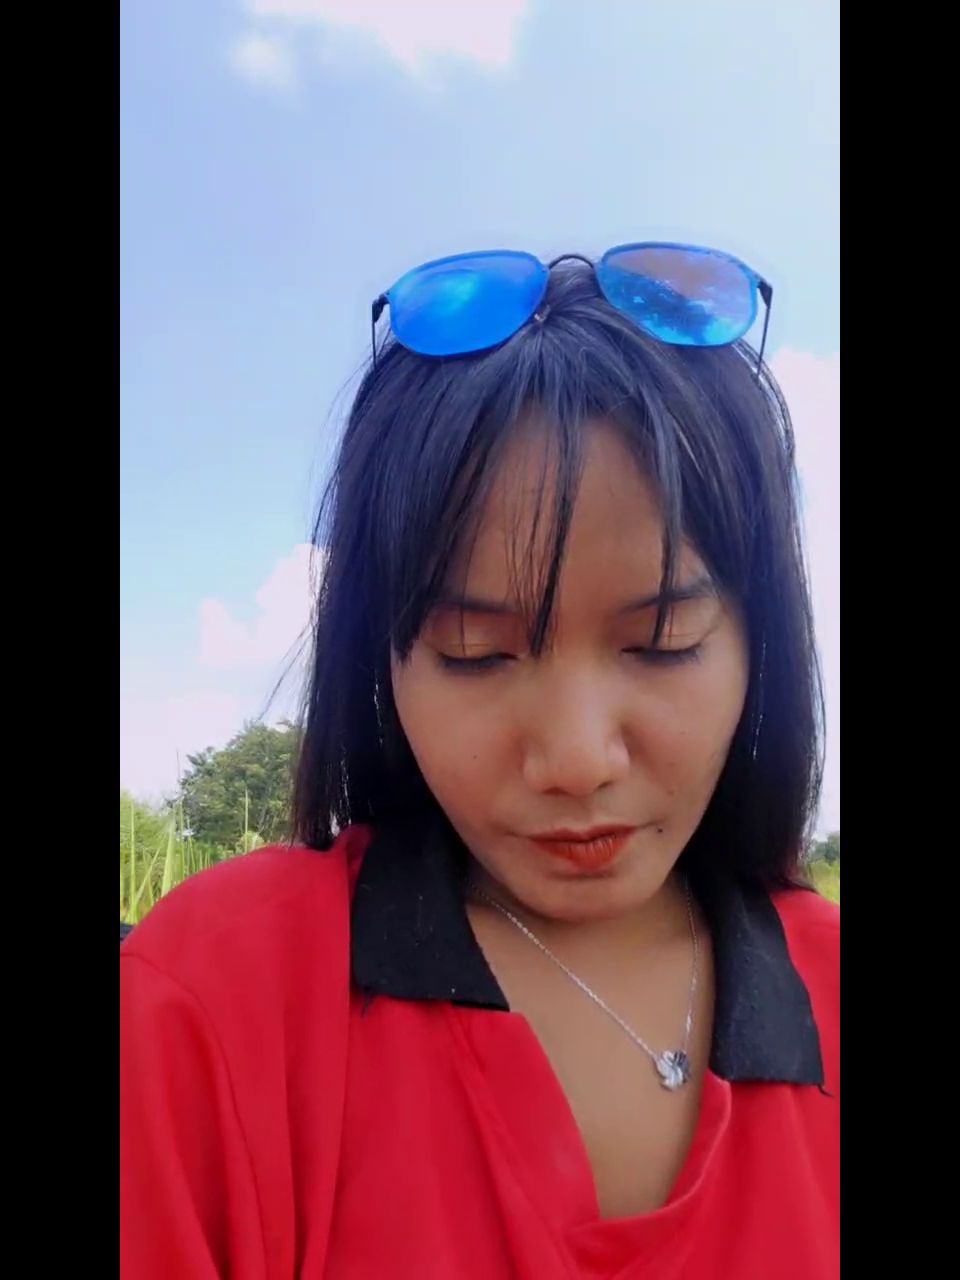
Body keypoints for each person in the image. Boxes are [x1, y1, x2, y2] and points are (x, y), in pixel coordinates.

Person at [121, 246, 839, 1279]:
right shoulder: (213, 1005)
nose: (577, 759)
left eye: (662, 640)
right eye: (475, 652)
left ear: (759, 640)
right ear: (382, 658)